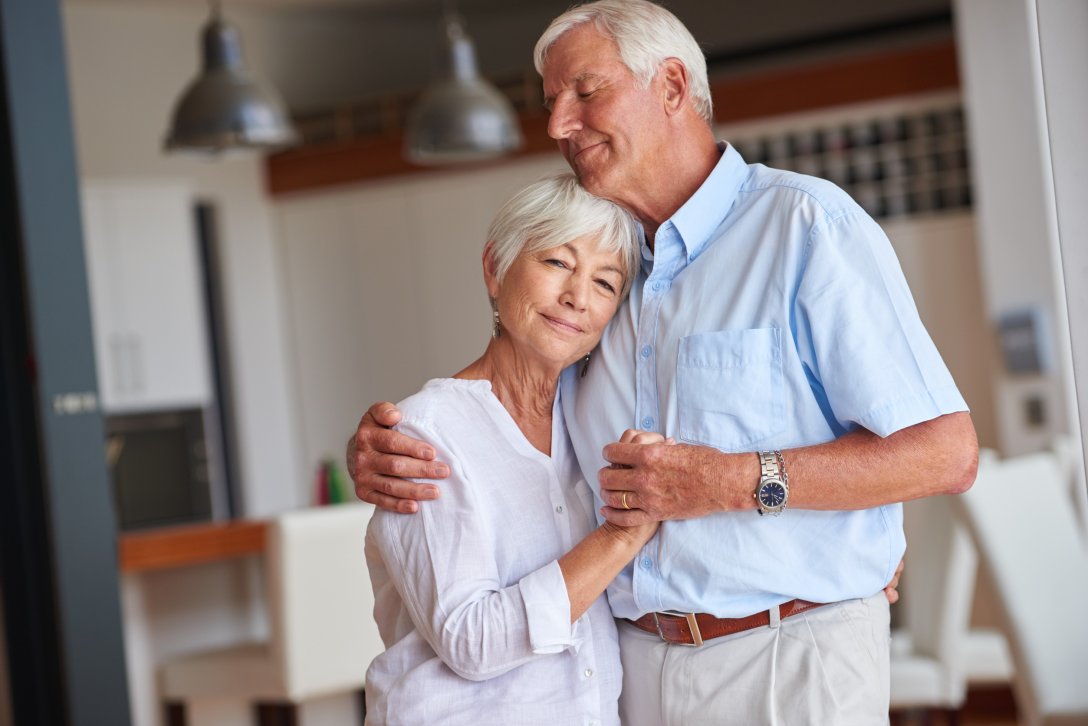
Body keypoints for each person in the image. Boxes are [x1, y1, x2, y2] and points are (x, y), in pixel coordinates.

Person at [350, 2, 979, 723]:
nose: (558, 126)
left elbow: (945, 453)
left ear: (673, 87)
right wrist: (389, 439)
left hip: (788, 659)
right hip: (627, 674)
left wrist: (730, 481)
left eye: (585, 92)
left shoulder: (805, 226)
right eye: (552, 103)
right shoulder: (609, 271)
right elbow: (508, 426)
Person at [363, 173, 657, 725]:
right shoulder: (425, 433)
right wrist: (621, 535)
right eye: (558, 262)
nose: (577, 297)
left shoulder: (594, 421)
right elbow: (471, 641)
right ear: (495, 268)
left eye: (605, 283)